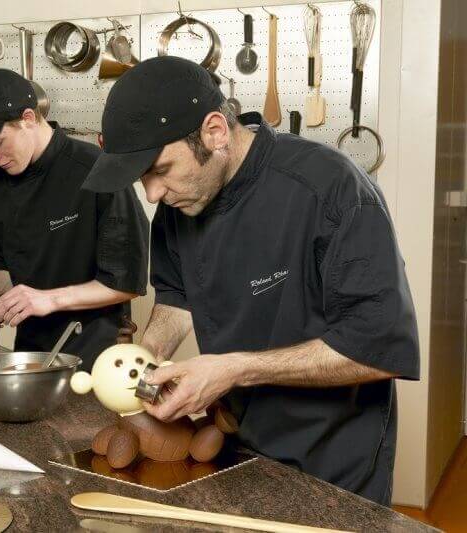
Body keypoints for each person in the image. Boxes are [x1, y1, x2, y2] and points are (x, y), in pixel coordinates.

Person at [81, 56, 420, 505]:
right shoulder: (180, 206)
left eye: (161, 170)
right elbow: (177, 296)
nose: (153, 195)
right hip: (237, 445)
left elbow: (379, 349)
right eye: (145, 179)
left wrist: (234, 369)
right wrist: (144, 358)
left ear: (215, 132)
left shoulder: (331, 190)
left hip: (333, 465)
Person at [0, 68, 148, 369]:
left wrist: (49, 299)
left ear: (28, 118)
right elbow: (11, 276)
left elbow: (127, 281)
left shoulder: (95, 169)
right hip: (31, 357)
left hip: (98, 355)